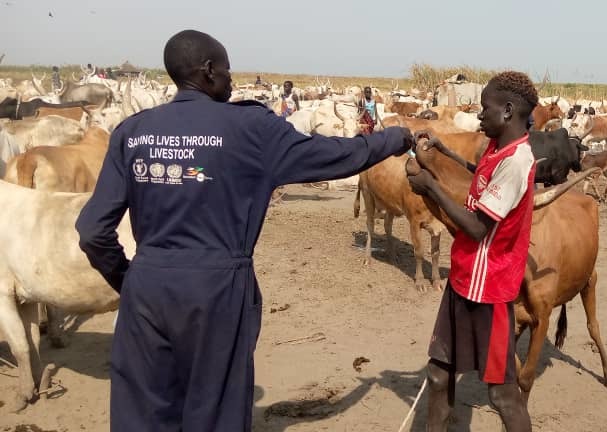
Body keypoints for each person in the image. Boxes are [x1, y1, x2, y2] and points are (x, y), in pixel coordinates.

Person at [75, 29, 412, 431]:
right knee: (215, 409)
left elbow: (93, 229)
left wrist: (128, 280)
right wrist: (395, 137)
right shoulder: (251, 128)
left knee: (142, 412)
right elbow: (334, 156)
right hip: (216, 290)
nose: (233, 80)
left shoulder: (133, 131)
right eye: (229, 70)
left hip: (146, 286)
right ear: (208, 70)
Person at [406, 71, 536, 432]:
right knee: (437, 372)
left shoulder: (517, 162)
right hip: (463, 278)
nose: (479, 116)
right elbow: (482, 178)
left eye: (485, 109)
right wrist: (445, 152)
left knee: (501, 394)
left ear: (508, 111)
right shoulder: (498, 149)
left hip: (488, 290)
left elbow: (479, 228)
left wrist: (430, 185)